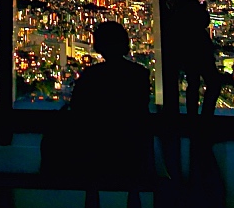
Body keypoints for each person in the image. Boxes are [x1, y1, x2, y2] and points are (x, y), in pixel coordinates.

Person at [41, 21, 152, 178]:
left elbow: (78, 108)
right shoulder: (139, 74)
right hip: (132, 147)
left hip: (95, 147)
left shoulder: (92, 75)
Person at [161, 0, 231, 118]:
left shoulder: (169, 5)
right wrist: (202, 9)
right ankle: (206, 116)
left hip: (184, 50)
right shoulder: (190, 4)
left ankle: (192, 117)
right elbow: (204, 22)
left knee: (193, 84)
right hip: (199, 48)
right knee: (212, 83)